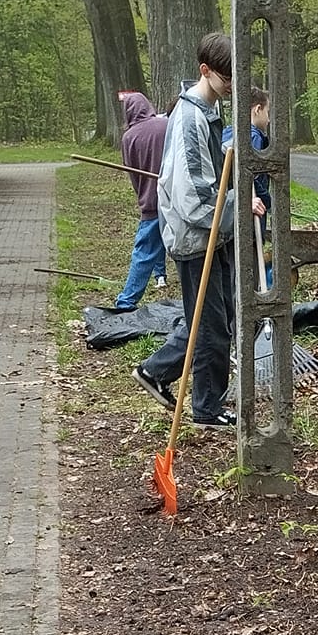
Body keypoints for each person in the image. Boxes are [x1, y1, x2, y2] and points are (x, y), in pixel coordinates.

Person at [133, 33, 264, 431]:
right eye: (226, 79)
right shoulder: (189, 119)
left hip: (214, 233)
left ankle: (157, 373)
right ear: (205, 71)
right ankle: (205, 407)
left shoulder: (209, 110)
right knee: (209, 327)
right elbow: (193, 196)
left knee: (211, 320)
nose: (231, 87)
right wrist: (237, 206)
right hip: (195, 238)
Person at [115, 91, 168, 310]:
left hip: (151, 202)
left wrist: (144, 196)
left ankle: (126, 302)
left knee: (144, 253)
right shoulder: (164, 125)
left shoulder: (128, 138)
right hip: (175, 199)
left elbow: (133, 175)